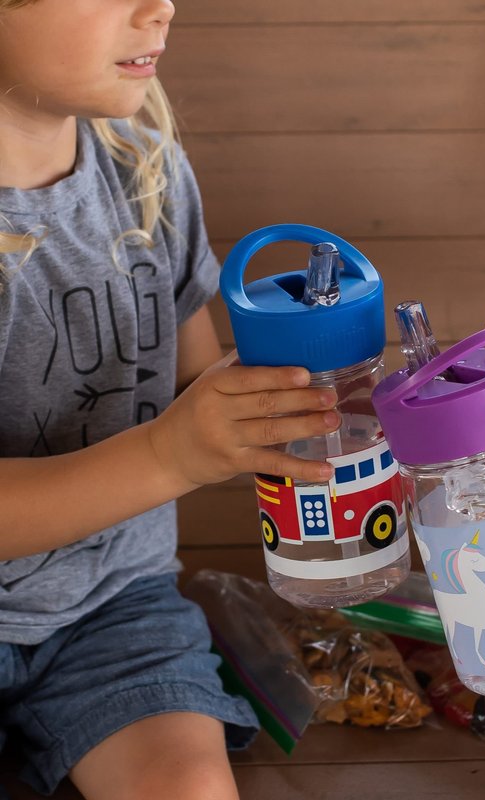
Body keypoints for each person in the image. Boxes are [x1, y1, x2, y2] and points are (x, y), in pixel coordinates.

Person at [0, 1, 342, 798]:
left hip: (116, 605)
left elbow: (195, 386)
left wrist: (308, 390)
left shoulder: (145, 170)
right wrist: (172, 453)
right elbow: (176, 441)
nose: (161, 8)